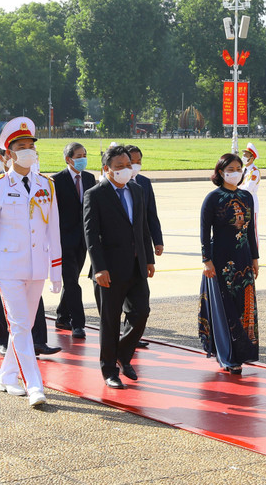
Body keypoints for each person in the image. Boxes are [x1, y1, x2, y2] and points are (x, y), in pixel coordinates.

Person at [0, 117, 63, 407]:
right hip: (8, 268)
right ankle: (35, 385)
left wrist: (56, 270)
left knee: (21, 326)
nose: (28, 151)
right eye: (21, 147)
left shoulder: (46, 185)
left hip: (37, 266)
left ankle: (8, 375)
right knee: (21, 325)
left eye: (31, 146)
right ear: (8, 153)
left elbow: (53, 230)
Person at [83, 144, 155, 389]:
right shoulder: (95, 194)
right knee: (110, 321)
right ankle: (109, 370)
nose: (126, 170)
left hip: (136, 266)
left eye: (128, 165)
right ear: (107, 169)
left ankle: (123, 355)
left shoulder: (136, 190)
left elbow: (142, 227)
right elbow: (91, 235)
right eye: (120, 167)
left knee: (141, 312)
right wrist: (99, 268)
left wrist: (148, 259)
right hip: (109, 271)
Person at [199, 153, 259, 374]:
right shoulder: (213, 198)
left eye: (238, 168)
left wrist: (255, 258)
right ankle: (226, 356)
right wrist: (206, 260)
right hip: (220, 261)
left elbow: (250, 231)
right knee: (224, 308)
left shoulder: (246, 197)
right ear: (221, 172)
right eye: (230, 169)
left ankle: (242, 352)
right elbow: (205, 232)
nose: (235, 172)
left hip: (243, 258)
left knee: (243, 306)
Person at [52, 142, 96, 339]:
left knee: (72, 280)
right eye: (79, 156)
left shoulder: (89, 178)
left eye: (84, 155)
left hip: (83, 239)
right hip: (63, 239)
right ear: (68, 159)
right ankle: (78, 323)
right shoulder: (56, 181)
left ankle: (62, 315)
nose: (82, 159)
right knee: (71, 282)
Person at [127, 144, 164, 348]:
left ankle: (132, 336)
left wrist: (157, 241)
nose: (136, 165)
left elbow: (151, 214)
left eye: (139, 161)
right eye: (132, 161)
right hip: (119, 253)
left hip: (140, 250)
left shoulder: (144, 183)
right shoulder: (108, 185)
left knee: (140, 302)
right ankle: (121, 337)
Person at [238, 142, 261, 223]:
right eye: (243, 155)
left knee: (253, 231)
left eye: (245, 155)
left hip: (251, 202)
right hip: (241, 202)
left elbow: (248, 188)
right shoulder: (243, 169)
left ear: (251, 158)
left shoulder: (254, 171)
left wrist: (236, 190)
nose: (243, 157)